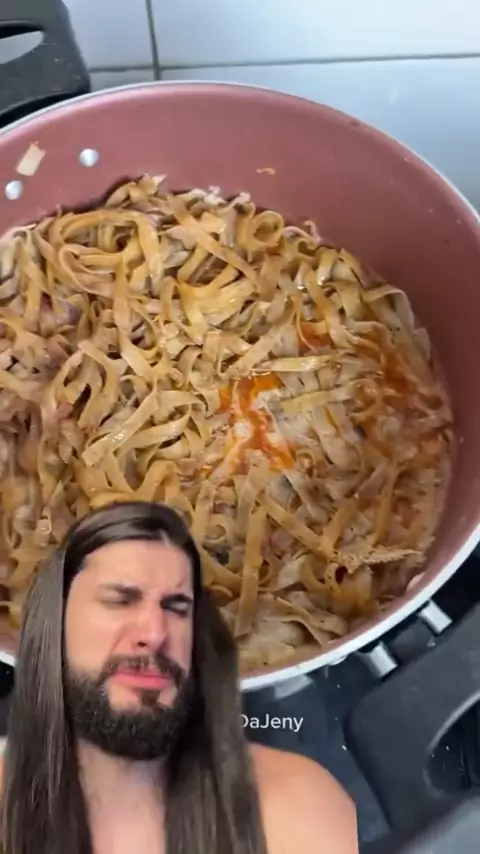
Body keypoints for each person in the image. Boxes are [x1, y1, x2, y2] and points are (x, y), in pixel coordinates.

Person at [0, 501, 358, 854]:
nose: (155, 633)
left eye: (176, 608)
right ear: (53, 620)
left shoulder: (297, 808)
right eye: (120, 600)